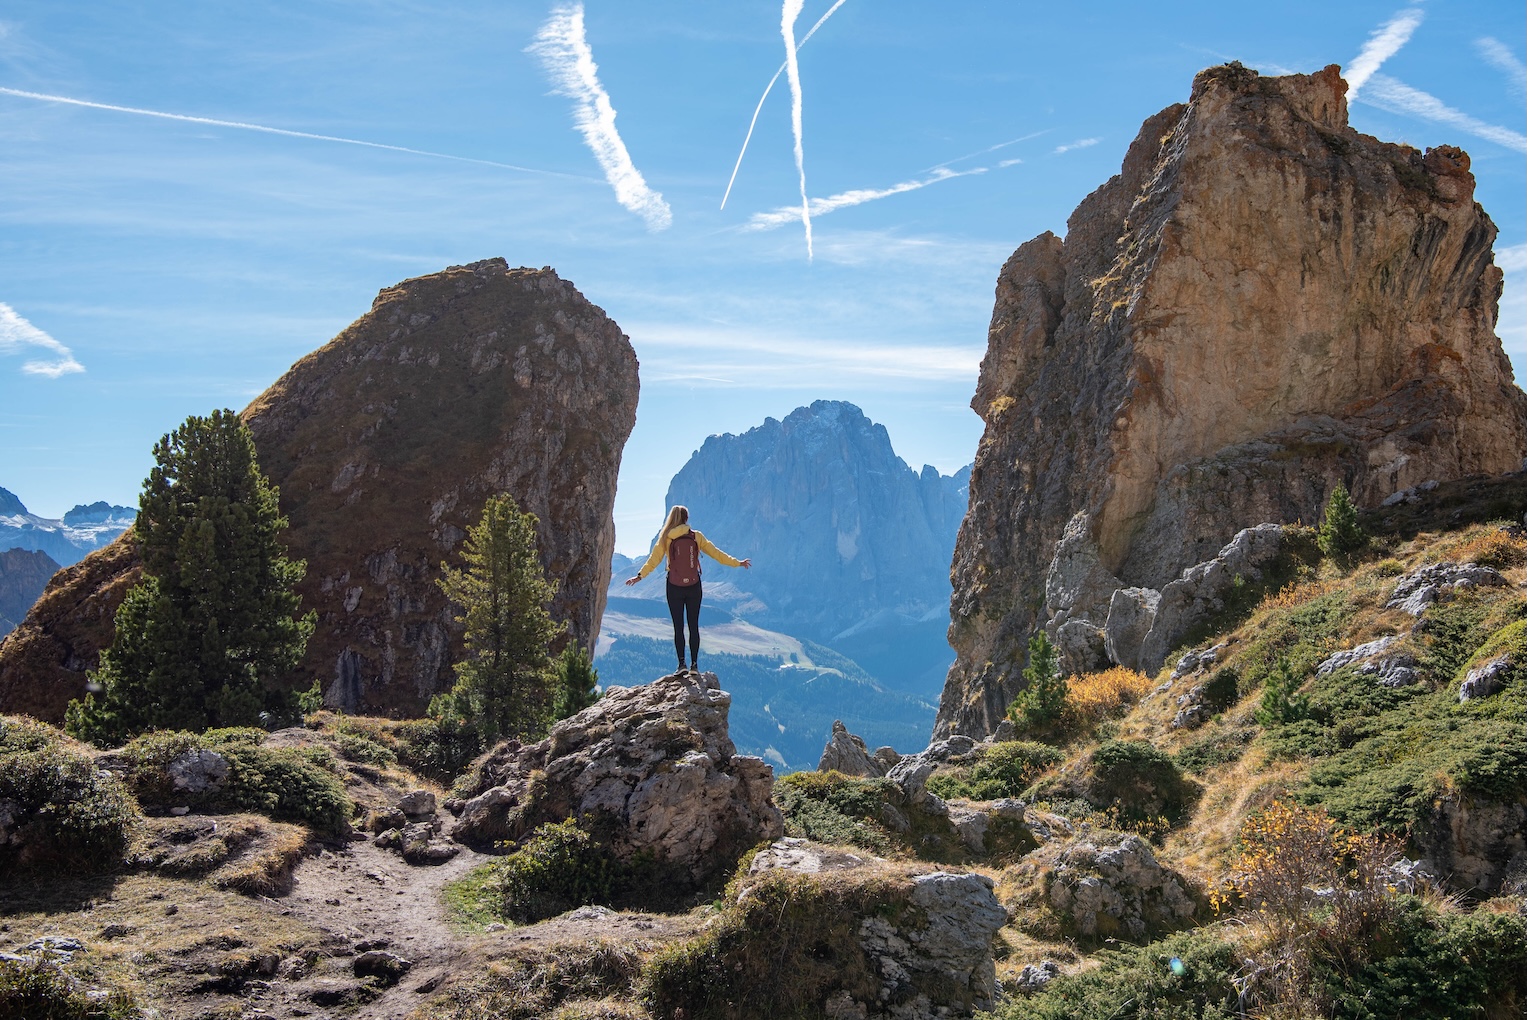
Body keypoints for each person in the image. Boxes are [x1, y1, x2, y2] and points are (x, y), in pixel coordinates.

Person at [625, 505, 750, 676]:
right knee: (693, 625)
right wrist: (738, 563)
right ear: (686, 519)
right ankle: (694, 666)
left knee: (678, 627)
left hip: (674, 586)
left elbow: (653, 560)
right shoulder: (696, 536)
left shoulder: (666, 538)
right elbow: (716, 554)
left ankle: (681, 664)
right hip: (694, 586)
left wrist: (639, 576)